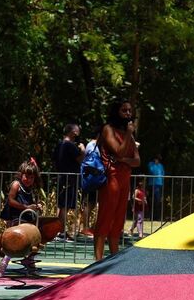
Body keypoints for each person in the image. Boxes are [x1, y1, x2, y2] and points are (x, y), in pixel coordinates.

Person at [95, 99, 140, 261]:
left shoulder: (129, 134)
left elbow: (137, 161)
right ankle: (98, 261)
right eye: (124, 110)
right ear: (116, 112)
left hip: (124, 180)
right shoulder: (108, 129)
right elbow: (119, 151)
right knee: (106, 218)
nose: (128, 114)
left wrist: (124, 160)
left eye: (130, 110)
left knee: (119, 220)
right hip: (111, 178)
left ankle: (114, 260)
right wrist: (128, 134)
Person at [0, 160, 44, 277]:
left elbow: (29, 203)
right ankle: (3, 263)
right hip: (14, 216)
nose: (28, 180)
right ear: (21, 174)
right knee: (14, 241)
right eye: (26, 176)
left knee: (34, 239)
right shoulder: (16, 185)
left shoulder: (30, 189)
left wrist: (37, 206)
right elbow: (11, 200)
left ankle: (30, 262)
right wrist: (26, 207)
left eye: (31, 177)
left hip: (25, 217)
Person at [52, 123, 84, 241]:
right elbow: (80, 159)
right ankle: (60, 232)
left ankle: (58, 230)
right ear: (73, 132)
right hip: (69, 179)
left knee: (61, 205)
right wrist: (83, 150)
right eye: (77, 130)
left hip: (62, 177)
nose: (79, 132)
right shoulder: (70, 145)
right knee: (64, 206)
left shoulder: (60, 144)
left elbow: (54, 160)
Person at [78, 132, 101, 237]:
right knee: (90, 204)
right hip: (91, 178)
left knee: (94, 203)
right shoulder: (92, 145)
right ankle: (85, 227)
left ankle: (93, 227)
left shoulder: (97, 145)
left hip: (96, 177)